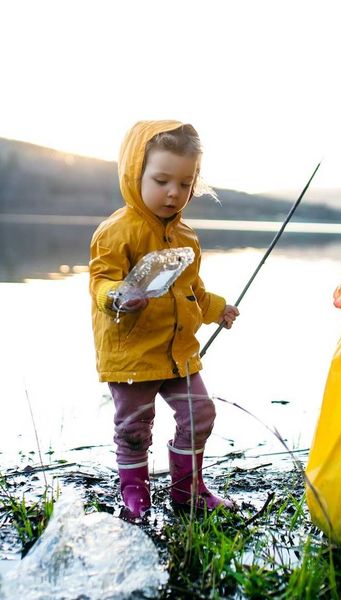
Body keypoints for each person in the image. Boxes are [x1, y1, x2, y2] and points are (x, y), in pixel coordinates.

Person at [89, 120, 239, 518]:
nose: (174, 193)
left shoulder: (187, 237)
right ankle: (134, 495)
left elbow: (192, 290)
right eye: (161, 180)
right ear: (135, 172)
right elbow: (101, 280)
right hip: (133, 354)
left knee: (200, 413)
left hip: (177, 353)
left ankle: (186, 489)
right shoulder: (116, 231)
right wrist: (116, 296)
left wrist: (216, 309)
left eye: (185, 184)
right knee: (135, 429)